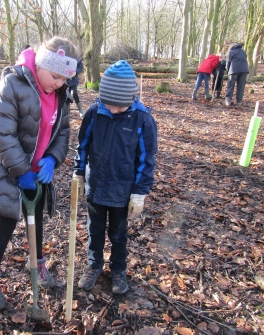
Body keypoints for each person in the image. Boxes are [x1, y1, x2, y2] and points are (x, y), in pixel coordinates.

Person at [0, 36, 79, 311]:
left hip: (37, 172)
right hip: (7, 170)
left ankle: (38, 263)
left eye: (63, 79)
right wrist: (21, 171)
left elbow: (63, 132)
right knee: (6, 224)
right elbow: (1, 134)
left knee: (37, 221)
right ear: (42, 65)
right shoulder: (11, 85)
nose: (59, 83)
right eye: (55, 76)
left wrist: (52, 159)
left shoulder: (60, 94)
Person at [73, 60, 158, 294]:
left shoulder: (142, 120)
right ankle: (94, 265)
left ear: (129, 99)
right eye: (108, 104)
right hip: (96, 185)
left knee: (118, 234)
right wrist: (79, 173)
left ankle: (118, 269)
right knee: (95, 230)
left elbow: (146, 160)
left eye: (118, 106)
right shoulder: (94, 112)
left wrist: (140, 193)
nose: (112, 110)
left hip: (123, 190)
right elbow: (83, 145)